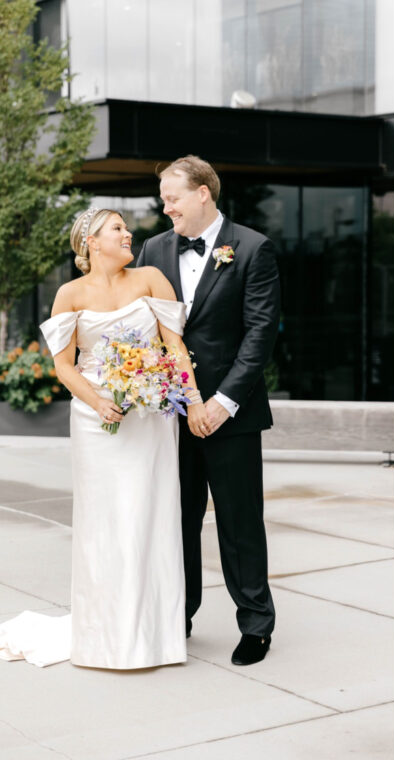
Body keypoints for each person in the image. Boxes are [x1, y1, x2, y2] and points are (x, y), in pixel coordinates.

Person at [0, 207, 206, 669]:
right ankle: (104, 634)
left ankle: (155, 636)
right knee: (106, 524)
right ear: (92, 243)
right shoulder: (69, 293)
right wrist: (99, 402)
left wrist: (192, 398)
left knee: (151, 517)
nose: (129, 234)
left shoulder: (151, 280)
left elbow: (174, 347)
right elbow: (64, 365)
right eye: (118, 229)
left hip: (150, 419)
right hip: (95, 419)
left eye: (126, 227)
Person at [136, 155, 280, 666]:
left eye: (172, 196)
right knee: (177, 518)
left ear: (203, 193)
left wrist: (221, 403)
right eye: (162, 196)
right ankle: (181, 614)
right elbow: (147, 328)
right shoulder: (153, 249)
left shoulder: (253, 248)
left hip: (232, 413)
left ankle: (256, 625)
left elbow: (260, 334)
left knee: (240, 522)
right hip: (172, 415)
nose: (164, 205)